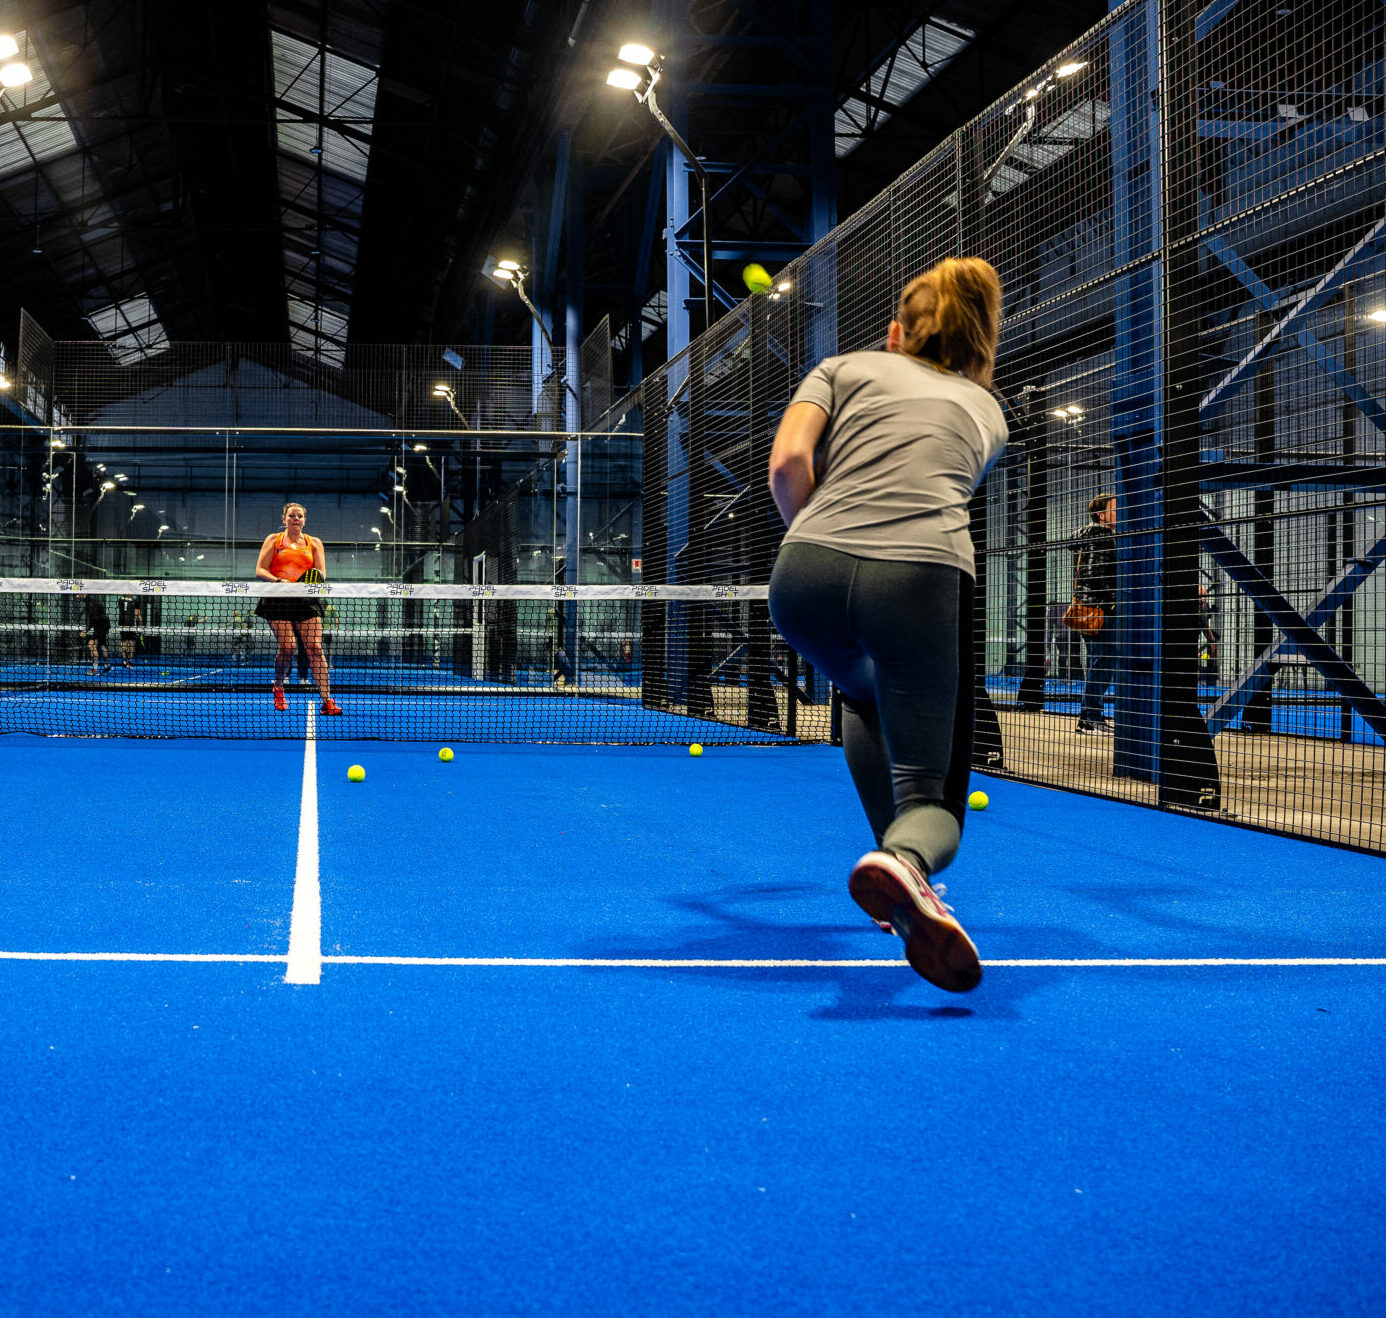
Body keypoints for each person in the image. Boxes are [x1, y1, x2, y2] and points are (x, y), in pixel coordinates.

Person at [766, 256, 1007, 993]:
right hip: (919, 579)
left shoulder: (840, 368)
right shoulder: (988, 412)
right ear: (976, 344)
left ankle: (897, 873)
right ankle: (907, 861)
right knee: (934, 807)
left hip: (802, 578)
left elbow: (788, 465)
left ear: (896, 332)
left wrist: (816, 541)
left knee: (864, 693)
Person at [255, 501, 342, 715]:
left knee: (315, 648)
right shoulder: (274, 540)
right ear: (284, 519)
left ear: (304, 520)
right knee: (288, 647)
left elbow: (321, 573)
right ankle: (278, 686)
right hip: (278, 598)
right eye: (292, 516)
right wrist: (278, 582)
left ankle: (327, 700)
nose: (296, 519)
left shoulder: (314, 543)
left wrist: (311, 581)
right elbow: (260, 570)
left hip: (306, 599)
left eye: (300, 516)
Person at [1073, 492, 1118, 735]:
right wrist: (1114, 602)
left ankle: (1090, 716)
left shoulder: (1092, 537)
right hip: (1101, 610)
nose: (1120, 512)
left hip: (1092, 608)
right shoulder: (1102, 537)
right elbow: (1096, 575)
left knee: (1097, 663)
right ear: (1101, 515)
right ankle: (1091, 718)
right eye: (1115, 508)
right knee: (1103, 663)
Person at [83, 595, 112, 674]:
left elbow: (92, 620)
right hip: (105, 625)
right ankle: (107, 665)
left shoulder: (90, 605)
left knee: (91, 645)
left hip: (100, 627)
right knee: (102, 645)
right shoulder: (95, 602)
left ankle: (95, 669)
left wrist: (85, 630)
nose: (77, 596)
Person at [116, 595, 143, 667]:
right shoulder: (121, 599)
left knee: (130, 643)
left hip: (131, 625)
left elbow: (137, 614)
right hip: (123, 624)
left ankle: (129, 661)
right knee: (124, 643)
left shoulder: (134, 600)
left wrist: (140, 626)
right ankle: (125, 660)